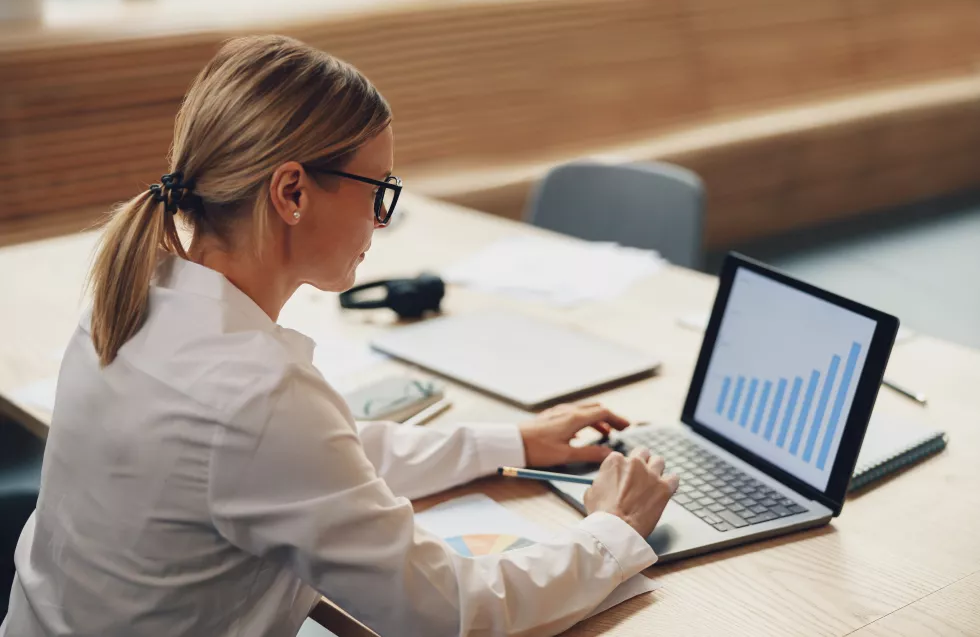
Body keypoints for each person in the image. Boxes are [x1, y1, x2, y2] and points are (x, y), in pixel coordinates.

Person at [1, 35, 678, 637]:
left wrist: (513, 442)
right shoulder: (255, 394)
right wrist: (611, 530)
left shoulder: (133, 298)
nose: (381, 222)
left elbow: (316, 462)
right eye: (378, 190)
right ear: (291, 192)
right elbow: (450, 611)